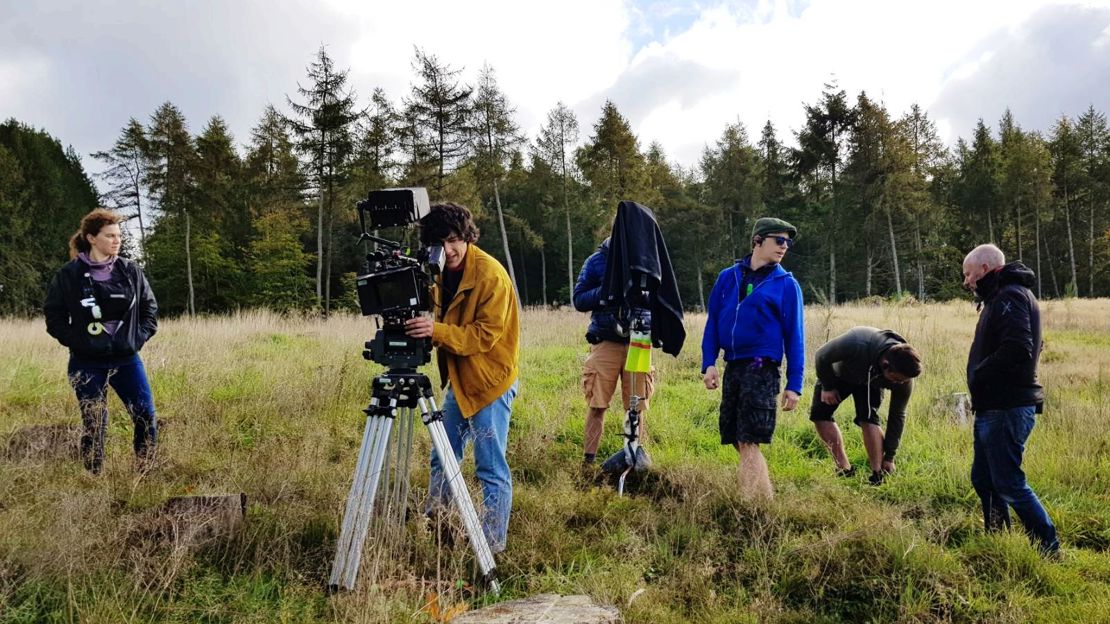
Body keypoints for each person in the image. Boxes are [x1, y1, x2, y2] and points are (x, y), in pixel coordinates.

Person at [405, 202, 520, 553]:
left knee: (490, 466)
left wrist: (436, 331)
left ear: (467, 237)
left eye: (455, 239)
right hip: (459, 379)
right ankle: (438, 525)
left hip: (489, 381)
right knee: (443, 455)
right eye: (441, 241)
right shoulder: (437, 269)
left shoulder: (490, 275)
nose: (449, 249)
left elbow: (484, 335)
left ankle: (490, 546)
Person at [43, 208, 159, 474]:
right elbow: (54, 315)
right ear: (91, 238)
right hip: (86, 362)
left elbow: (149, 310)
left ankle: (145, 472)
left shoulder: (131, 271)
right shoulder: (69, 275)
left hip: (127, 359)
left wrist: (136, 339)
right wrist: (78, 341)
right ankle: (92, 475)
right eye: (110, 236)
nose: (117, 240)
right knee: (95, 421)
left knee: (145, 415)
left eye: (119, 236)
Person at [962, 243, 1059, 555]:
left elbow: (1019, 346)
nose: (966, 281)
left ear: (985, 269)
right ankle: (998, 539)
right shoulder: (999, 297)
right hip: (994, 406)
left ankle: (1048, 547)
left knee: (1009, 483)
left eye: (968, 274)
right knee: (984, 478)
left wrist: (981, 372)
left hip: (1007, 406)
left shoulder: (1010, 296)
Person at [702, 217, 804, 501]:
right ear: (758, 240)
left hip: (762, 368)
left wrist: (795, 384)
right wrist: (709, 362)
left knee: (749, 438)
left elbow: (795, 336)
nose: (785, 247)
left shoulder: (786, 285)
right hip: (733, 364)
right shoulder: (727, 277)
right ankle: (767, 501)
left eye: (788, 242)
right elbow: (713, 323)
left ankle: (744, 505)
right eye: (779, 240)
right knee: (737, 436)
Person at [572, 236, 654, 467]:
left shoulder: (648, 261)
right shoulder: (597, 261)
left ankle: (635, 461)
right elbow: (579, 299)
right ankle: (588, 465)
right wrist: (607, 290)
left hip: (638, 340)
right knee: (597, 405)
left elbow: (660, 297)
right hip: (605, 341)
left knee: (636, 407)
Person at [809, 327, 922, 485]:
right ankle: (844, 469)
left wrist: (890, 457)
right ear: (885, 364)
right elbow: (821, 355)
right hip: (840, 375)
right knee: (819, 415)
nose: (899, 384)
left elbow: (897, 416)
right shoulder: (856, 342)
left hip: (872, 382)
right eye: (896, 379)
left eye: (903, 381)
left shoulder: (904, 379)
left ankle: (877, 474)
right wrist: (827, 387)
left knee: (869, 419)